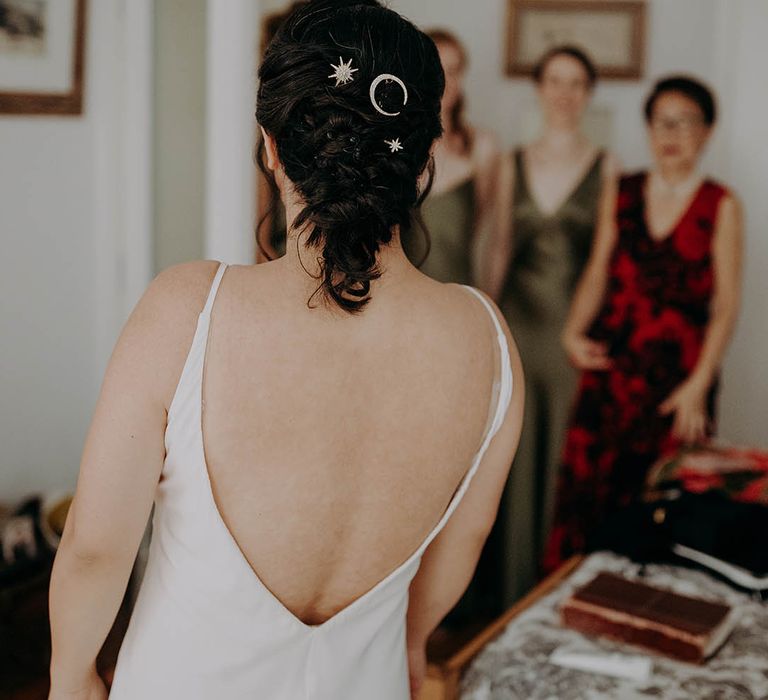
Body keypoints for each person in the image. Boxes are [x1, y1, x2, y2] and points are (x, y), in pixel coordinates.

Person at [46, 2, 524, 699]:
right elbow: (458, 552)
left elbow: (95, 547)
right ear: (425, 156)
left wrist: (70, 676)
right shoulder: (488, 339)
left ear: (271, 146)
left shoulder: (187, 309)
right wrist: (412, 653)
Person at [543, 75, 743, 572]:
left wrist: (699, 385)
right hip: (611, 374)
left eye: (685, 122)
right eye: (661, 122)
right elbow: (597, 271)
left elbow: (726, 304)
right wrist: (572, 331)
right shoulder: (624, 189)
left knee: (662, 508)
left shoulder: (721, 205)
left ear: (707, 131)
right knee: (589, 502)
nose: (671, 133)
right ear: (649, 128)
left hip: (677, 388)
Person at [481, 45, 618, 605]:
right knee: (512, 454)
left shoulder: (607, 166)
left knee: (563, 457)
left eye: (576, 83)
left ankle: (555, 590)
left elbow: (605, 260)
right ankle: (505, 592)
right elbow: (499, 249)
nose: (564, 93)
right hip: (518, 323)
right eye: (555, 80)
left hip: (570, 333)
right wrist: (486, 321)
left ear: (588, 94)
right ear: (538, 89)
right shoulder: (512, 161)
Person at [400, 29, 500, 285]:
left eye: (454, 70)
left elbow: (488, 234)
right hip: (403, 294)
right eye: (437, 69)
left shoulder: (482, 147)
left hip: (460, 288)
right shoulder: (395, 146)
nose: (445, 80)